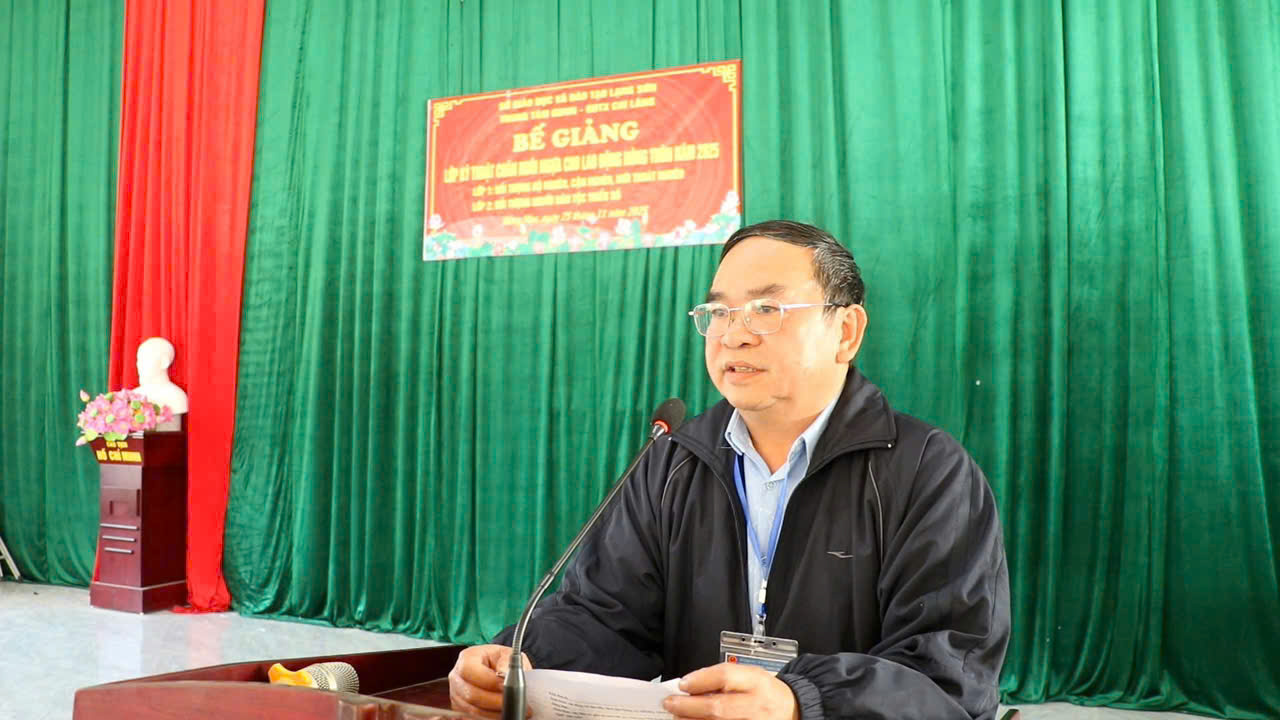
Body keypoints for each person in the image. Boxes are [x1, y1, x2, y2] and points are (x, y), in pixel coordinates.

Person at [449, 220, 1010, 719]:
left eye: (767, 309)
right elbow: (605, 616)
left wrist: (801, 703)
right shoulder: (673, 461)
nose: (734, 333)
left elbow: (947, 675)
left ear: (845, 332)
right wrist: (521, 659)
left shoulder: (927, 471)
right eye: (718, 312)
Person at [135, 336, 187, 431]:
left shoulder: (176, 397)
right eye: (138, 360)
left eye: (145, 359)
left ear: (164, 362)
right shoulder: (133, 395)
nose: (139, 365)